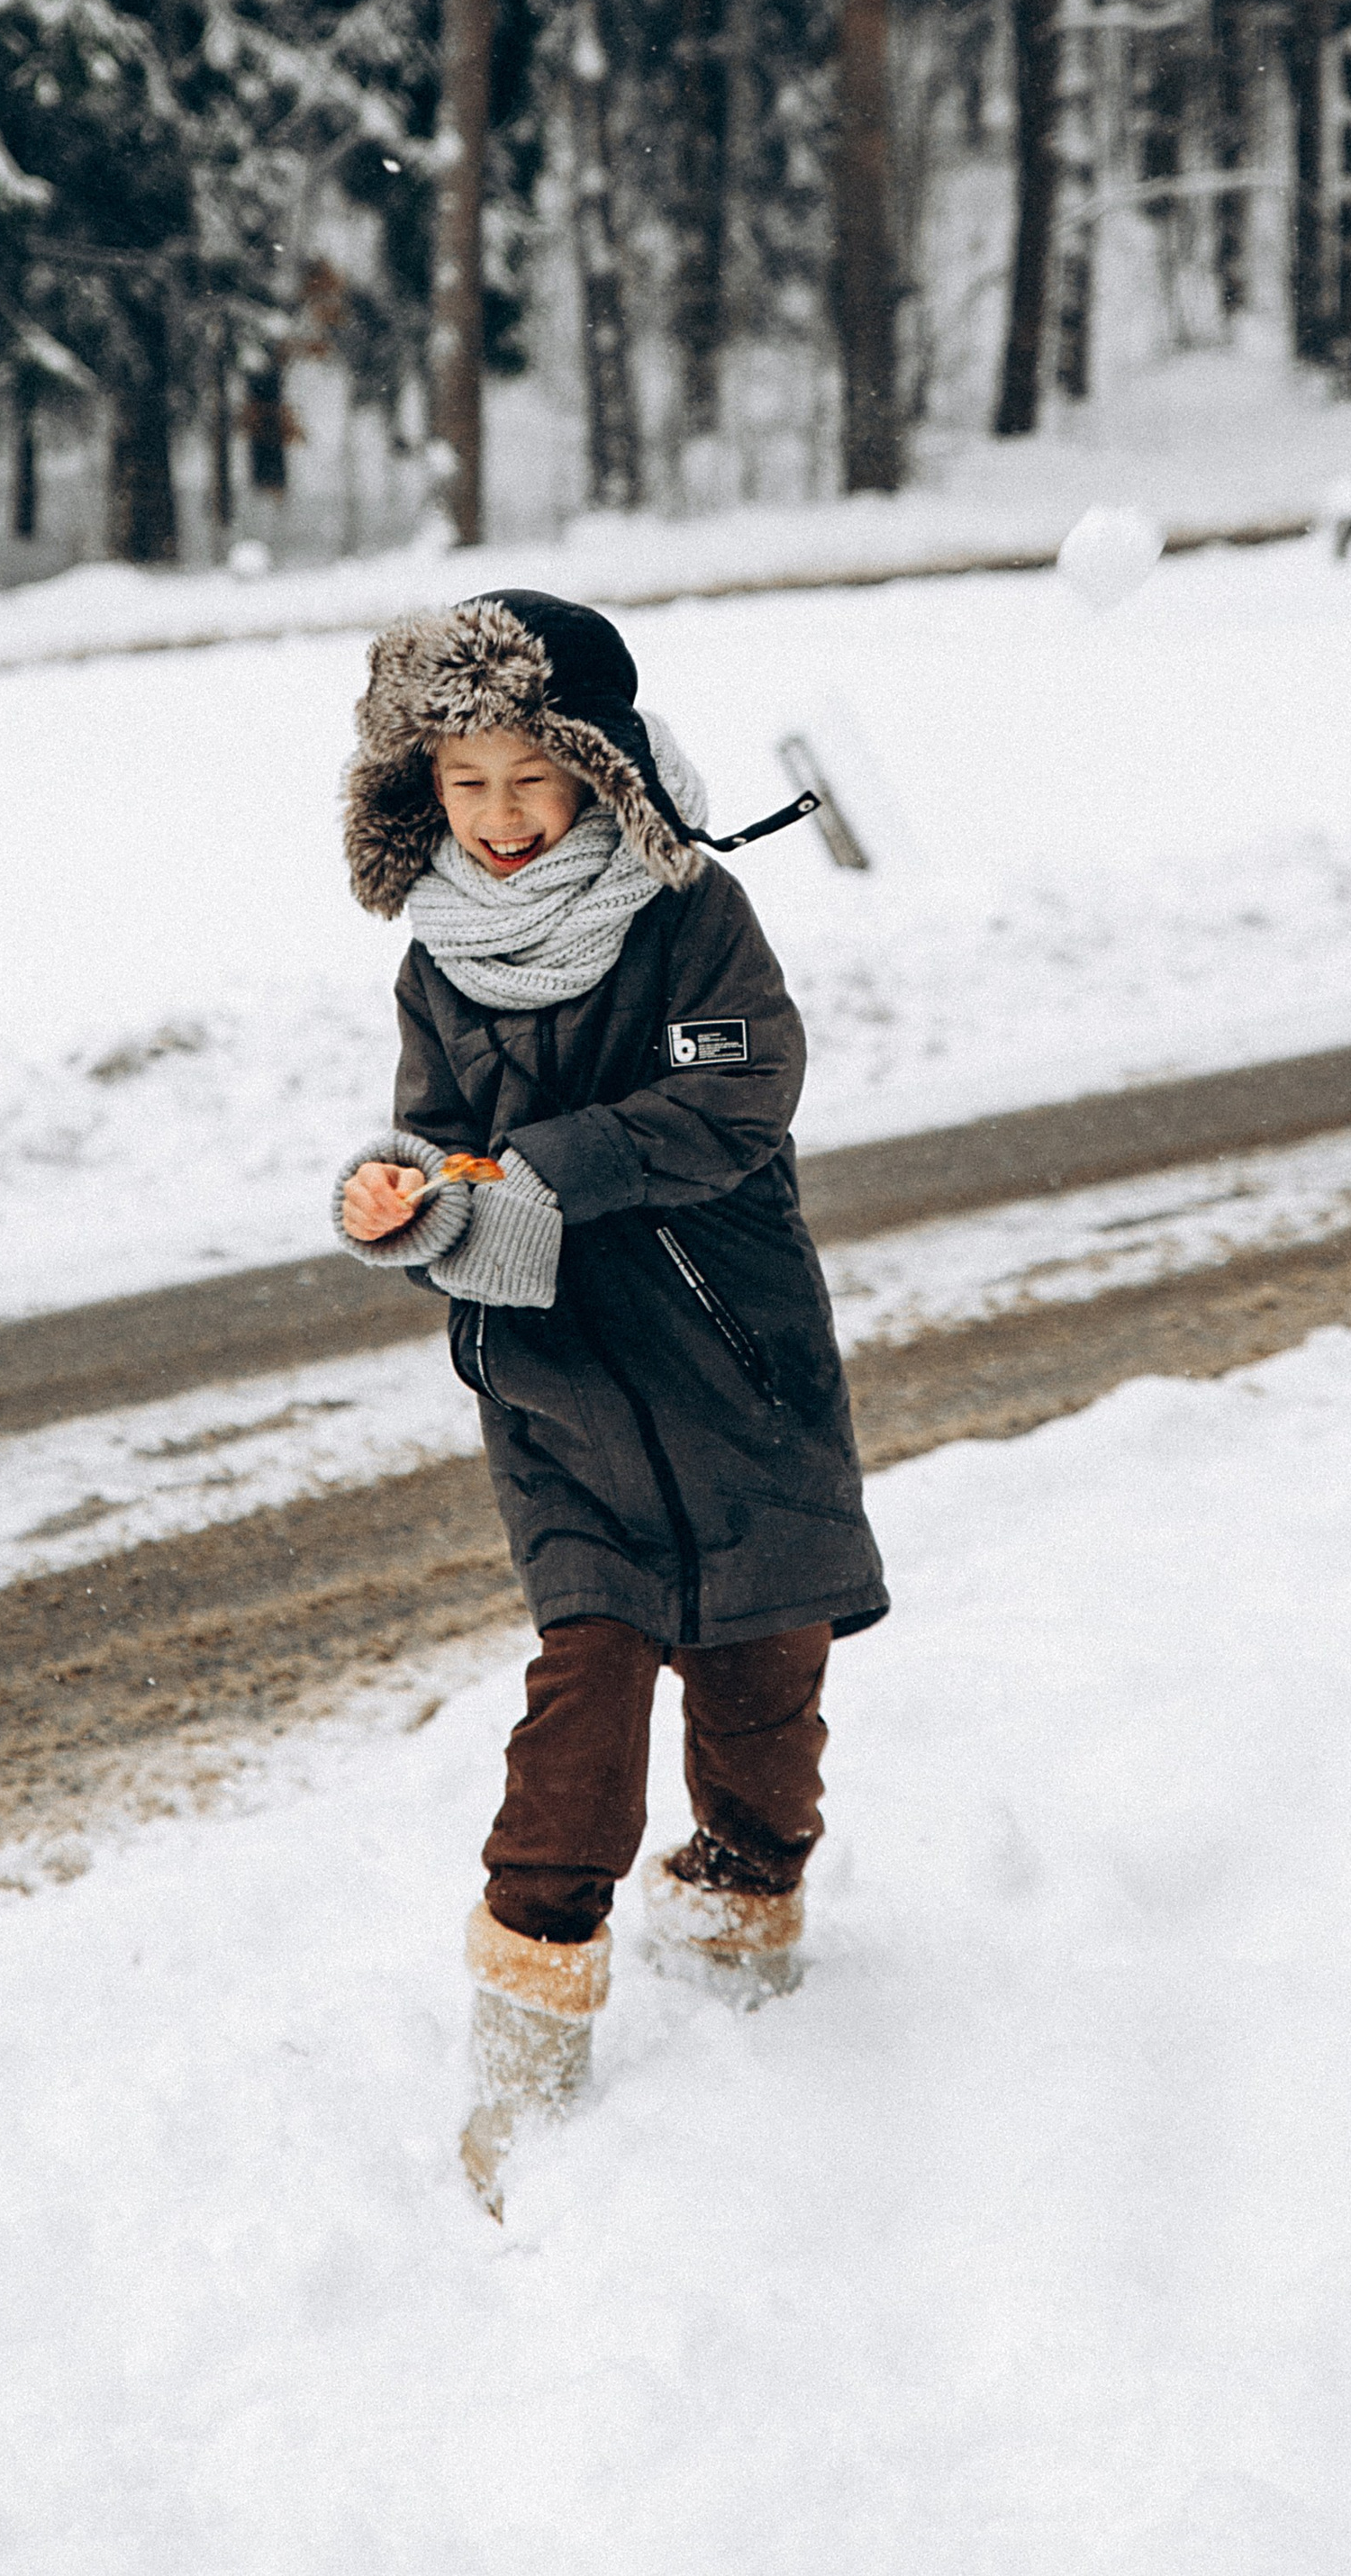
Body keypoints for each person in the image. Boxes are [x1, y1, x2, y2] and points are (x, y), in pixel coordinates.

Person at [331, 588, 886, 2205]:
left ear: (597, 767)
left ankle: (743, 1921)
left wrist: (546, 1169)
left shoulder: (686, 910)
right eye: (462, 785)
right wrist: (409, 1200)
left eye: (528, 780)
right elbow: (435, 1137)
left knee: (760, 1670)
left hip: (732, 1356)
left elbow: (737, 1091)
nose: (496, 822)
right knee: (588, 1676)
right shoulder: (440, 953)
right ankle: (527, 2037)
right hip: (559, 1377)